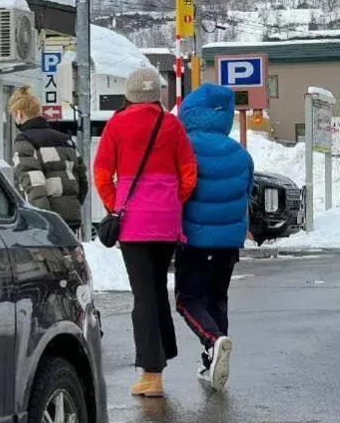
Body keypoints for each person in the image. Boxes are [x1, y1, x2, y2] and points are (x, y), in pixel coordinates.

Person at [94, 68, 197, 398]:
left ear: (129, 95)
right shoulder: (172, 125)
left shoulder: (117, 125)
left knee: (144, 295)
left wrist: (116, 204)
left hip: (134, 224)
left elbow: (101, 173)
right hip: (166, 223)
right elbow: (189, 174)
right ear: (157, 96)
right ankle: (163, 354)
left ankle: (152, 374)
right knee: (155, 287)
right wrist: (171, 200)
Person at [176, 84, 254, 391]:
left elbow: (180, 191)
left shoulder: (185, 148)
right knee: (217, 299)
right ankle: (213, 360)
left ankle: (212, 340)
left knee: (188, 300)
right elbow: (246, 192)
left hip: (195, 240)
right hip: (229, 243)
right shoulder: (240, 153)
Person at [9, 86, 88, 232]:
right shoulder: (65, 139)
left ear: (19, 114)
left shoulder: (25, 141)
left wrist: (41, 220)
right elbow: (82, 179)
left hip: (47, 221)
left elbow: (33, 184)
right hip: (71, 216)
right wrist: (73, 204)